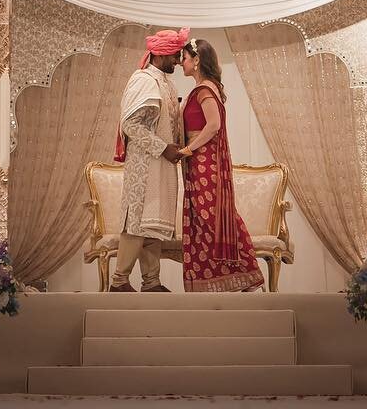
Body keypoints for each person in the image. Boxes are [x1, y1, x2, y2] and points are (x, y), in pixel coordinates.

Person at [177, 38, 265, 292]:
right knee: (205, 219)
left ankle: (248, 273)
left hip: (204, 161)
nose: (181, 62)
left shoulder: (204, 90)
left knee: (211, 217)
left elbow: (213, 125)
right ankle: (223, 277)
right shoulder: (205, 88)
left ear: (196, 61)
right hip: (199, 161)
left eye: (185, 57)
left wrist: (187, 149)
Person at [110, 27, 189, 292]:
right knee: (136, 224)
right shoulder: (144, 80)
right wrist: (162, 147)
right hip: (143, 166)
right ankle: (119, 281)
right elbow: (131, 125)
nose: (178, 61)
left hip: (160, 165)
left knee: (152, 224)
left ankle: (151, 282)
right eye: (175, 56)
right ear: (160, 55)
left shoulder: (166, 82)